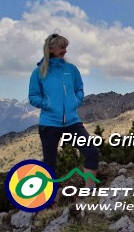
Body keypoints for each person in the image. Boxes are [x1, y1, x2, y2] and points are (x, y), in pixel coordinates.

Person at [28, 32, 100, 188]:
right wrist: (48, 105)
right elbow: (33, 97)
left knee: (92, 153)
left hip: (73, 122)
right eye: (62, 47)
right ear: (51, 49)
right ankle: (50, 199)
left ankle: (89, 189)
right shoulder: (39, 72)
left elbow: (79, 88)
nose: (65, 51)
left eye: (66, 47)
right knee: (49, 163)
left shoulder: (71, 69)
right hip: (49, 124)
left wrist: (76, 101)